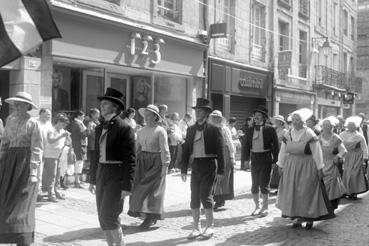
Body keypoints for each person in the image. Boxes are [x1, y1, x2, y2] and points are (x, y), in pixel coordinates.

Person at [89, 88, 136, 246]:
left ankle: (120, 243)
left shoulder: (125, 128)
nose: (101, 106)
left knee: (109, 214)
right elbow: (96, 155)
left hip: (117, 173)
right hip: (102, 172)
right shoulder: (99, 127)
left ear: (115, 107)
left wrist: (127, 185)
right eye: (101, 104)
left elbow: (130, 159)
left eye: (105, 104)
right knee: (102, 216)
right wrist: (92, 179)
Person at [276, 108, 334, 229]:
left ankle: (309, 218)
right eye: (294, 119)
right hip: (291, 165)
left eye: (298, 120)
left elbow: (317, 153)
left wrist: (319, 168)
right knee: (294, 192)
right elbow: (283, 151)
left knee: (306, 192)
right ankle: (297, 217)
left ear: (303, 121)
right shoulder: (288, 133)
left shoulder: (309, 134)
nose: (295, 122)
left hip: (307, 165)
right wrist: (280, 165)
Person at [0, 91, 43, 246]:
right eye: (15, 103)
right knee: (5, 200)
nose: (16, 106)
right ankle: (6, 235)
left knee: (22, 201)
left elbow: (37, 148)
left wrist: (33, 172)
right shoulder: (9, 120)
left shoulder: (33, 122)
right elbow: (4, 142)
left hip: (24, 164)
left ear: (27, 106)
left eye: (20, 103)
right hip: (8, 163)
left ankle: (22, 239)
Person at [181, 98, 225, 240]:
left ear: (206, 113)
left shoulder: (214, 129)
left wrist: (221, 171)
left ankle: (210, 226)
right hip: (196, 165)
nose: (197, 112)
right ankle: (196, 227)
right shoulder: (190, 129)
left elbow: (221, 151)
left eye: (200, 110)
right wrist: (183, 169)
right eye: (196, 110)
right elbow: (186, 150)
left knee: (205, 196)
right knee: (194, 196)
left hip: (209, 164)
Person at [128, 104, 170, 229]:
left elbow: (165, 149)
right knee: (139, 188)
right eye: (145, 115)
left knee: (153, 190)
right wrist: (133, 163)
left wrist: (165, 166)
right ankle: (144, 214)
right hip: (142, 162)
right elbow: (136, 149)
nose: (146, 117)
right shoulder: (140, 131)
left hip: (156, 161)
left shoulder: (160, 130)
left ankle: (150, 217)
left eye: (149, 115)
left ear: (155, 117)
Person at [243, 105, 279, 216]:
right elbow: (246, 145)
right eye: (255, 115)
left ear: (263, 117)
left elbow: (276, 146)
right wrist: (245, 159)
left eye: (259, 115)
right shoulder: (249, 130)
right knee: (254, 184)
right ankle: (257, 206)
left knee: (264, 183)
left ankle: (265, 207)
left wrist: (275, 160)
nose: (256, 117)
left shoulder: (270, 129)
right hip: (254, 157)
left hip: (266, 157)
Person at [209, 110, 235, 210]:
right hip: (214, 154)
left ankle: (220, 199)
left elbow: (230, 143)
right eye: (213, 117)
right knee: (215, 177)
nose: (215, 119)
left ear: (220, 119)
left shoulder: (224, 129)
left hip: (225, 153)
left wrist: (232, 157)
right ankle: (216, 198)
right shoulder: (210, 128)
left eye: (217, 117)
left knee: (223, 177)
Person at [319, 116, 347, 210]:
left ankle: (331, 205)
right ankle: (322, 205)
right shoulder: (318, 138)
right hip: (320, 163)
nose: (326, 127)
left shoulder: (336, 138)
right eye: (324, 125)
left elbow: (343, 151)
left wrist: (337, 156)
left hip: (331, 163)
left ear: (332, 127)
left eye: (328, 125)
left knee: (332, 185)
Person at [339, 116, 369, 200]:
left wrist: (364, 158)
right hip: (347, 156)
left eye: (353, 125)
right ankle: (345, 191)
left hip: (357, 157)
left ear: (356, 126)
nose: (351, 127)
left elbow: (364, 148)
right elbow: (338, 145)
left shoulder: (360, 136)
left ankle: (354, 192)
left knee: (354, 174)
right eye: (349, 125)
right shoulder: (342, 134)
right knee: (346, 174)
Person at [43, 113, 71, 202]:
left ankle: (56, 191)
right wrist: (61, 136)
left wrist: (67, 137)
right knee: (52, 176)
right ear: (58, 122)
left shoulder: (62, 131)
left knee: (58, 175)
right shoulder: (51, 129)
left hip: (59, 155)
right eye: (63, 123)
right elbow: (50, 140)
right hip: (50, 155)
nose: (65, 126)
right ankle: (51, 194)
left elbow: (68, 142)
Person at [36, 108, 53, 201]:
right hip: (39, 151)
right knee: (39, 172)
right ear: (41, 114)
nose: (49, 116)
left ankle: (49, 190)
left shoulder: (49, 124)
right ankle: (37, 192)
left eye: (50, 115)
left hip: (49, 151)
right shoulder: (36, 123)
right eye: (47, 114)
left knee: (49, 173)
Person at [269, 115, 288, 192]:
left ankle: (280, 187)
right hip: (273, 150)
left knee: (279, 168)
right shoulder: (273, 130)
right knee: (273, 169)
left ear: (281, 122)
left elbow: (286, 142)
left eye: (277, 121)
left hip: (281, 151)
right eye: (275, 121)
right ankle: (273, 185)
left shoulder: (285, 131)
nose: (276, 122)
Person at [70, 110, 88, 188]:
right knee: (78, 162)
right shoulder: (77, 123)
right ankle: (77, 181)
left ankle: (77, 180)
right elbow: (81, 134)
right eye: (83, 115)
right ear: (78, 116)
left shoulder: (78, 123)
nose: (84, 117)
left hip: (80, 144)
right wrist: (87, 131)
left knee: (79, 162)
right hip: (79, 145)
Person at [86, 108, 100, 179]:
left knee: (97, 162)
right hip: (93, 145)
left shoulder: (97, 122)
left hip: (98, 145)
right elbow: (90, 134)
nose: (98, 115)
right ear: (92, 115)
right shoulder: (90, 123)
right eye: (97, 114)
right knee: (93, 163)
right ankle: (92, 178)